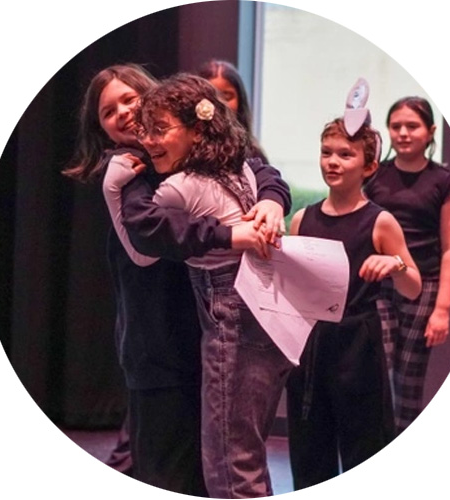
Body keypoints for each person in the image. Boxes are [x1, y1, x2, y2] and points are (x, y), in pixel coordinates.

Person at [63, 64, 291, 495]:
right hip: (161, 348)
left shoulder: (196, 152)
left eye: (130, 99)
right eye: (109, 111)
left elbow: (259, 169)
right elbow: (147, 240)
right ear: (102, 129)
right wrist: (230, 234)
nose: (124, 113)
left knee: (227, 462)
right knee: (172, 472)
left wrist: (273, 202)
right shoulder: (128, 175)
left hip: (218, 334)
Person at [286, 79, 422, 488]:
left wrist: (396, 263)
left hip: (358, 347)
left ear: (368, 166)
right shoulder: (302, 219)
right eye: (326, 152)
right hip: (310, 347)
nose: (333, 161)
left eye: (345, 154)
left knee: (365, 447)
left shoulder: (379, 221)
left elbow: (413, 286)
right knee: (309, 452)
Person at [364, 96, 450, 434]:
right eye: (396, 126)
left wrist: (442, 310)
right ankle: (373, 445)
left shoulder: (443, 181)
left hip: (424, 288)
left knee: (408, 380)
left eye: (412, 126)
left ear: (430, 131)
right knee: (376, 369)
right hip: (379, 285)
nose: (403, 133)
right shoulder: (375, 176)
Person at [197, 59, 268, 163]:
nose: (221, 104)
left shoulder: (253, 155)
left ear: (240, 100)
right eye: (212, 97)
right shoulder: (183, 149)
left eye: (227, 97)